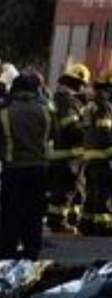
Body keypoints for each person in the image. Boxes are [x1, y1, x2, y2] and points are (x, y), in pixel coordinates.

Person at [0, 74, 51, 259]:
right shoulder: (44, 110)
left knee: (10, 215)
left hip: (13, 169)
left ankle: (7, 254)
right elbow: (53, 136)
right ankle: (32, 254)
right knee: (34, 214)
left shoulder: (5, 112)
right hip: (39, 169)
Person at [78, 71, 112, 236]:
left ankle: (86, 223)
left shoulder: (91, 105)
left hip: (90, 156)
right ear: (108, 88)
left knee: (92, 192)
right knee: (104, 192)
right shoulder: (104, 106)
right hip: (103, 157)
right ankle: (103, 226)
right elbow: (105, 132)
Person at [47, 63, 90, 233]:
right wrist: (88, 132)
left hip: (68, 155)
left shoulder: (64, 100)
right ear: (78, 83)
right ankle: (58, 223)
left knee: (74, 190)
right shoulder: (67, 102)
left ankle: (70, 220)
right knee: (65, 191)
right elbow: (71, 128)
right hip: (68, 156)